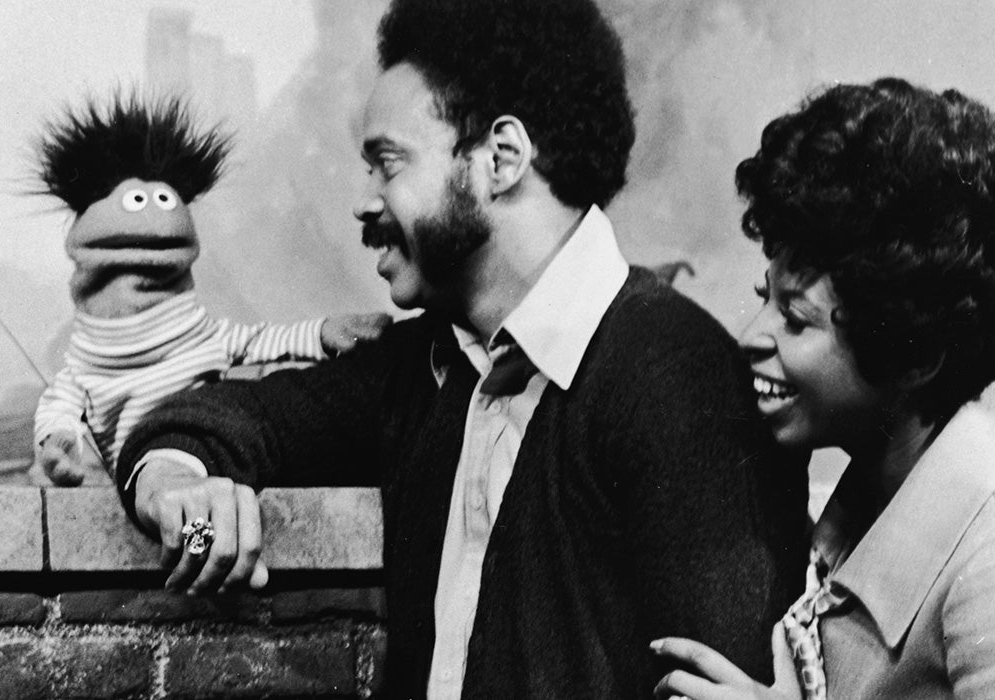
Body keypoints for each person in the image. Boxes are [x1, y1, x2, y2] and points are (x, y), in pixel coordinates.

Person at [115, 0, 807, 696]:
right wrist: (175, 487)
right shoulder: (422, 366)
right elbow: (206, 423)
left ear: (501, 159)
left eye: (387, 164)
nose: (364, 203)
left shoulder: (680, 378)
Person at [653, 77, 995, 699]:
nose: (750, 336)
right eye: (763, 299)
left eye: (796, 318)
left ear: (915, 357)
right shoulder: (875, 489)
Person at [33, 92, 390, 486]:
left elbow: (262, 340)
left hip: (202, 475)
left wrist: (324, 332)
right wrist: (60, 441)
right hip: (147, 492)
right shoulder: (85, 366)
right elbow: (59, 407)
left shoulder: (204, 338)